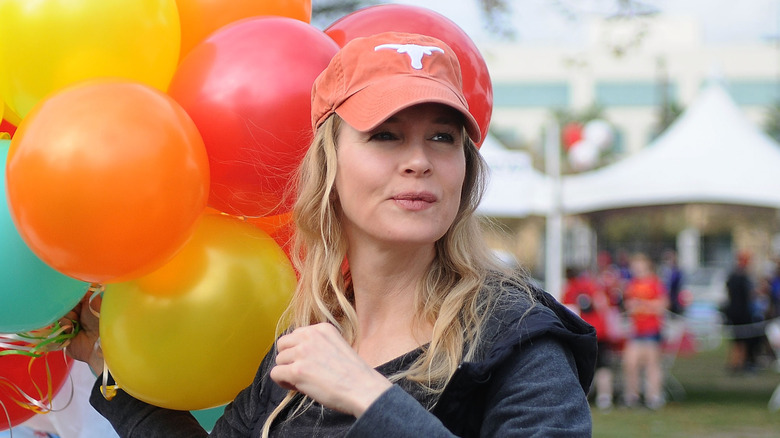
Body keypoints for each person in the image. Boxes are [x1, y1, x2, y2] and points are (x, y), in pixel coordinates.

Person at [62, 32, 596, 437]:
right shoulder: (307, 341)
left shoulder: (516, 334)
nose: (418, 161)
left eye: (442, 137)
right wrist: (110, 370)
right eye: (385, 136)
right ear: (330, 166)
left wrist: (368, 396)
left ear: (465, 168)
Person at [562, 266, 615, 411]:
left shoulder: (572, 288)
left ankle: (585, 397)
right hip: (598, 331)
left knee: (584, 366)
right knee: (602, 367)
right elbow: (603, 305)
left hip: (584, 332)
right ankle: (604, 397)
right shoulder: (592, 285)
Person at [621, 252, 669, 410]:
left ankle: (653, 396)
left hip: (651, 329)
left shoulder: (655, 283)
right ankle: (631, 396)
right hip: (636, 329)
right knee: (630, 363)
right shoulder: (632, 284)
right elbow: (627, 304)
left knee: (651, 364)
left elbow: (662, 305)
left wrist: (643, 305)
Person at [724, 251, 756, 373]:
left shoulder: (733, 276)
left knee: (737, 340)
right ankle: (739, 363)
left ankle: (736, 363)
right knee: (742, 339)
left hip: (734, 311)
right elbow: (749, 295)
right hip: (742, 312)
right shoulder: (743, 278)